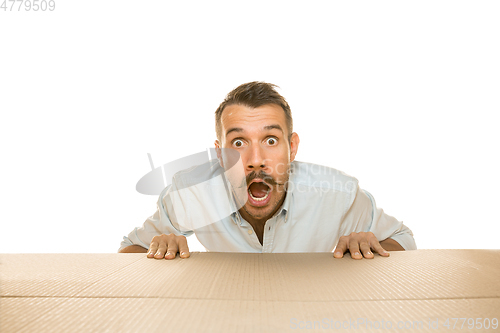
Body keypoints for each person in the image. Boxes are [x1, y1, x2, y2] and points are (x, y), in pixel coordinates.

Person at [119, 82, 416, 260]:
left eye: (270, 140)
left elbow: (404, 240)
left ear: (293, 147)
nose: (256, 159)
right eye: (238, 142)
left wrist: (370, 245)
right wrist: (156, 252)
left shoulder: (339, 194)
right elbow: (127, 251)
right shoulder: (190, 194)